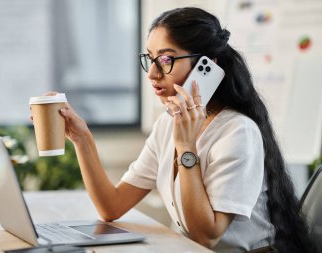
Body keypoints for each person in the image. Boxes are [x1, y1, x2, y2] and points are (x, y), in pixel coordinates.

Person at [43, 7, 315, 253]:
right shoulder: (167, 124)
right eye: (150, 59)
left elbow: (206, 236)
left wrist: (186, 148)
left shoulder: (237, 132)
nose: (152, 74)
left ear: (207, 67)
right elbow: (111, 206)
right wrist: (82, 139)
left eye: (165, 60)